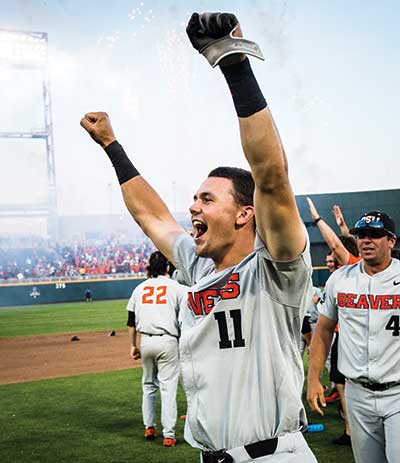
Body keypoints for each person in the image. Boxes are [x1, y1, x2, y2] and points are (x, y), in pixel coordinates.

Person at [81, 12, 317, 463]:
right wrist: (112, 146)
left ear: (246, 214)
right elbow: (152, 216)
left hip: (274, 456)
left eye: (207, 199)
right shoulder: (199, 265)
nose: (193, 207)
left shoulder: (278, 268)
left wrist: (233, 62)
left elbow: (270, 175)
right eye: (194, 198)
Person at [307, 210, 400, 463]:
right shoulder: (340, 278)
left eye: (375, 235)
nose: (366, 240)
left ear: (391, 241)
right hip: (357, 393)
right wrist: (314, 378)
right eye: (362, 235)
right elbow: (324, 329)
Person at [126, 251, 187, 447]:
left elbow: (130, 321)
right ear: (167, 267)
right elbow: (185, 319)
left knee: (148, 386)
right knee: (167, 388)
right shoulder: (176, 288)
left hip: (146, 342)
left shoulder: (139, 289)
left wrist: (132, 345)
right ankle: (168, 435)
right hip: (168, 341)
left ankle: (149, 427)